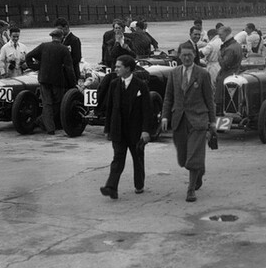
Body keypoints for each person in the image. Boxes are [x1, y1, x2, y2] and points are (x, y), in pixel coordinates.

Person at [160, 42, 217, 202]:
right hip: (179, 120)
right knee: (183, 159)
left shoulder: (203, 74)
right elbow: (168, 96)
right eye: (183, 55)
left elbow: (209, 99)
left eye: (189, 55)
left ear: (194, 56)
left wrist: (212, 122)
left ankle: (191, 189)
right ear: (179, 56)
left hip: (198, 120)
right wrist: (165, 116)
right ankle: (199, 168)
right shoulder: (174, 73)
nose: (186, 58)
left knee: (192, 156)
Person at [99, 54, 154, 199]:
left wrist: (146, 130)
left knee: (138, 158)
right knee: (117, 159)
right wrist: (108, 129)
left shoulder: (141, 85)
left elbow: (147, 110)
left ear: (128, 68)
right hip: (118, 129)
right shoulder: (114, 84)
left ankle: (139, 184)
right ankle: (111, 187)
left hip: (136, 131)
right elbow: (110, 108)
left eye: (118, 66)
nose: (115, 69)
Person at [25, 28, 76, 135]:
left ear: (52, 37)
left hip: (43, 79)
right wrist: (73, 83)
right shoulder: (64, 49)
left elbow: (28, 56)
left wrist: (36, 67)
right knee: (58, 103)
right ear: (61, 37)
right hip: (57, 81)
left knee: (47, 104)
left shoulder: (43, 46)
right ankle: (43, 123)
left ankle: (48, 127)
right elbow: (69, 68)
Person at [215, 26, 243, 111]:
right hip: (236, 72)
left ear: (226, 34)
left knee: (221, 99)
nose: (219, 37)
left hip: (227, 75)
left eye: (221, 35)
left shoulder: (230, 49)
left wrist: (219, 56)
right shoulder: (237, 45)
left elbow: (224, 65)